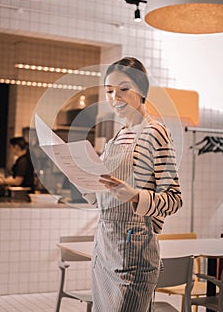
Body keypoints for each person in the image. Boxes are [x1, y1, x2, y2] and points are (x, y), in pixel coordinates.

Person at [83, 57, 183, 312]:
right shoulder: (117, 137)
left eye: (124, 89)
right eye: (109, 91)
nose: (115, 96)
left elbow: (173, 198)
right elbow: (104, 199)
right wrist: (83, 183)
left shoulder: (155, 133)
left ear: (141, 90)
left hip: (134, 255)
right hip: (104, 252)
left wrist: (135, 196)